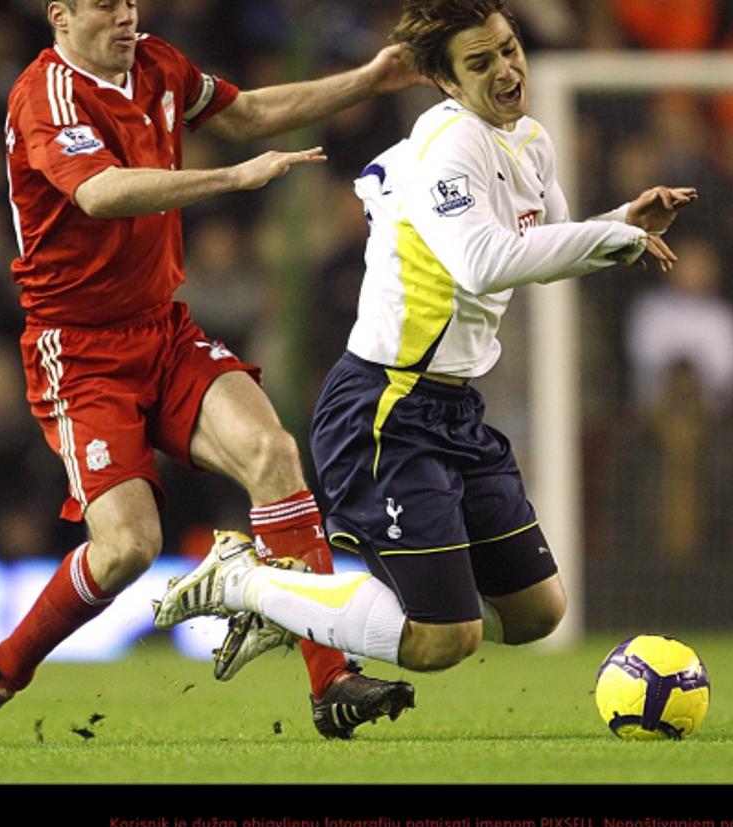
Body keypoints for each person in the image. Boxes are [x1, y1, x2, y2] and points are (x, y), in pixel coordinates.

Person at [154, 0, 695, 687]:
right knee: (445, 638)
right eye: (480, 62)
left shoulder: (528, 139)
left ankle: (311, 606)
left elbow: (549, 246)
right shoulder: (448, 143)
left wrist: (620, 221)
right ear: (444, 81)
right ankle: (248, 582)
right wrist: (613, 238)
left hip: (452, 408)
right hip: (386, 407)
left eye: (508, 47)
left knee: (536, 612)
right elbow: (483, 263)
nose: (506, 68)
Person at [0, 0, 427, 744]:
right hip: (80, 351)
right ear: (60, 16)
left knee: (273, 452)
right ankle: (3, 670)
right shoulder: (47, 95)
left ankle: (332, 681)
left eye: (131, 0)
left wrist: (368, 78)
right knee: (128, 546)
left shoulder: (159, 64)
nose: (126, 15)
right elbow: (100, 192)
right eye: (106, 4)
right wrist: (228, 182)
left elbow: (251, 110)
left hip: (162, 329)